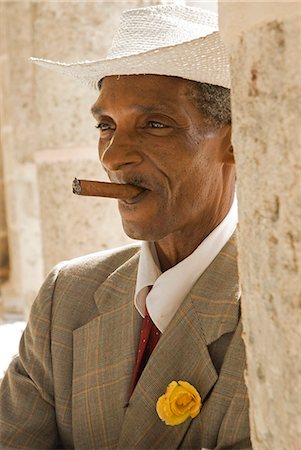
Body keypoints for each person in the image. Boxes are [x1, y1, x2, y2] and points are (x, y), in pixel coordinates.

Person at [0, 4, 251, 449]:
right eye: (105, 125)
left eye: (155, 124)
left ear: (236, 141)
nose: (113, 157)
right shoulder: (67, 296)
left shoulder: (273, 314)